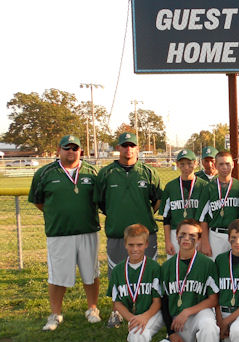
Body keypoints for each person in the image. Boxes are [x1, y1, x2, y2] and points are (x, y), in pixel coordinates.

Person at [28, 134, 101, 330]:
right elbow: (38, 201)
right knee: (57, 275)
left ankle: (92, 308)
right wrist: (57, 213)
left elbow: (100, 199)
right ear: (58, 150)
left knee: (91, 272)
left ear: (81, 151)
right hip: (59, 232)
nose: (71, 151)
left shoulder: (92, 171)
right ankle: (55, 314)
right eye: (66, 148)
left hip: (88, 230)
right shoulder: (45, 173)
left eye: (74, 148)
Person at [95, 132, 162, 327]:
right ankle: (117, 312)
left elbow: (156, 200)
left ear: (137, 148)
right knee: (117, 274)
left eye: (132, 145)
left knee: (148, 274)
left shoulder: (148, 172)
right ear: (118, 148)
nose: (128, 149)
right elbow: (101, 202)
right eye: (124, 145)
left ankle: (151, 313)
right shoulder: (107, 173)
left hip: (144, 234)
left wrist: (142, 214)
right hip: (117, 233)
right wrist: (117, 214)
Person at [107, 224, 174, 342]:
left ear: (146, 244)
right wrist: (132, 318)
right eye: (131, 245)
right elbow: (117, 303)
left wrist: (144, 317)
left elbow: (157, 301)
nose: (135, 249)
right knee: (137, 335)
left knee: (137, 335)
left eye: (139, 245)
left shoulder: (153, 268)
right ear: (125, 244)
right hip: (135, 316)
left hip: (154, 312)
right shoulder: (118, 271)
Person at [160, 219, 221, 342]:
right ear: (176, 237)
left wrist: (188, 310)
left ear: (199, 239)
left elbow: (213, 299)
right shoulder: (168, 267)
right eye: (183, 234)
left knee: (210, 329)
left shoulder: (206, 263)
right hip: (179, 319)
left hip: (200, 311)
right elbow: (163, 302)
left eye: (192, 236)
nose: (186, 238)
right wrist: (171, 333)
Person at [161, 149, 209, 257]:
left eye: (189, 163)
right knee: (176, 267)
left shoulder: (204, 186)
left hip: (196, 233)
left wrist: (203, 240)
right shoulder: (171, 186)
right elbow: (166, 218)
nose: (186, 167)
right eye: (182, 164)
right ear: (177, 164)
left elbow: (206, 217)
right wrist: (168, 241)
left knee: (196, 267)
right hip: (176, 233)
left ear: (196, 163)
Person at [199, 150, 239, 260]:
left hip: (235, 235)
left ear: (233, 165)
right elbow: (203, 218)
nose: (224, 167)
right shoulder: (209, 188)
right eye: (221, 164)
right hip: (215, 235)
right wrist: (205, 242)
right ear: (215, 166)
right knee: (215, 269)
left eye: (227, 164)